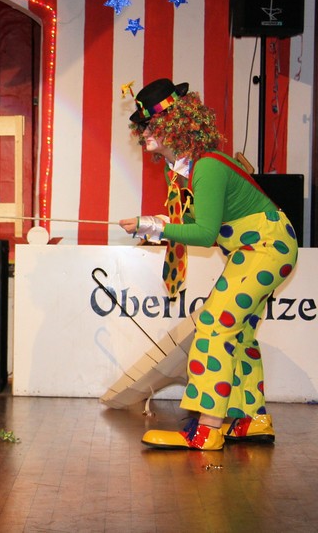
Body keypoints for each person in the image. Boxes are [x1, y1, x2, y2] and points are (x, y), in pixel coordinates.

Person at [119, 78, 298, 451]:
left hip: (266, 247)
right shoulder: (182, 171)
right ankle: (252, 419)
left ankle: (208, 429)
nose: (144, 133)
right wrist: (158, 224)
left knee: (213, 328)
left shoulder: (208, 167)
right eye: (143, 126)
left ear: (176, 125)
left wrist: (154, 226)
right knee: (239, 334)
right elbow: (196, 224)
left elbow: (204, 234)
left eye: (151, 124)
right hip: (256, 249)